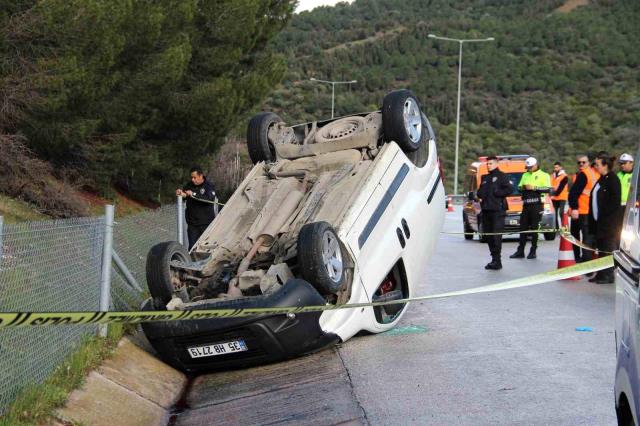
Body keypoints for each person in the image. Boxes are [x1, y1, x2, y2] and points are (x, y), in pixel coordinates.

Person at [588, 153, 621, 284]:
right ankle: (600, 274)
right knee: (600, 248)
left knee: (607, 248)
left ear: (605, 165)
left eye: (597, 164)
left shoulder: (613, 179)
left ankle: (608, 275)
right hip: (598, 222)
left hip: (608, 223)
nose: (595, 166)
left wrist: (605, 215)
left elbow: (615, 201)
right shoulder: (602, 178)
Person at [476, 156, 513, 270]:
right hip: (486, 211)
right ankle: (494, 259)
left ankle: (498, 261)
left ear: (496, 164)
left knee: (496, 237)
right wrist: (478, 195)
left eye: (491, 163)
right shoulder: (485, 178)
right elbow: (480, 192)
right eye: (488, 164)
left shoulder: (502, 176)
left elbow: (509, 190)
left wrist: (498, 193)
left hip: (498, 211)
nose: (488, 165)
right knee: (488, 236)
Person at [510, 157, 551, 260]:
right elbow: (519, 187)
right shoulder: (525, 174)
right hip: (526, 205)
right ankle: (520, 251)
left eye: (530, 167)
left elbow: (547, 189)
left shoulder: (544, 175)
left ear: (536, 165)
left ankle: (533, 251)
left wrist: (534, 188)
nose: (528, 169)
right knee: (522, 229)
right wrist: (524, 187)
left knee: (534, 229)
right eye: (527, 167)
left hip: (537, 205)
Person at [568, 155, 600, 263]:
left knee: (587, 237)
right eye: (579, 163)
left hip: (589, 211)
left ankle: (585, 258)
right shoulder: (584, 174)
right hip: (582, 210)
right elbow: (573, 193)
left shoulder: (595, 174)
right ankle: (579, 258)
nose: (581, 164)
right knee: (579, 236)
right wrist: (574, 208)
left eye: (584, 162)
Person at [176, 166, 217, 249]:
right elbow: (185, 195)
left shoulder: (209, 186)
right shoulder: (189, 185)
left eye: (195, 177)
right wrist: (182, 194)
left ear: (201, 176)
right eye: (191, 177)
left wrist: (193, 194)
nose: (192, 180)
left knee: (206, 247)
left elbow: (209, 199)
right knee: (192, 248)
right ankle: (193, 261)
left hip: (206, 224)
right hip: (192, 224)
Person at [551, 161, 569, 229]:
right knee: (554, 214)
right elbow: (550, 185)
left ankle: (564, 227)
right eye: (554, 167)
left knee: (561, 213)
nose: (555, 168)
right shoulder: (552, 175)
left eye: (557, 167)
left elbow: (561, 187)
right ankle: (557, 228)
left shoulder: (564, 176)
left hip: (561, 197)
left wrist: (554, 194)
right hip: (554, 198)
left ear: (560, 167)